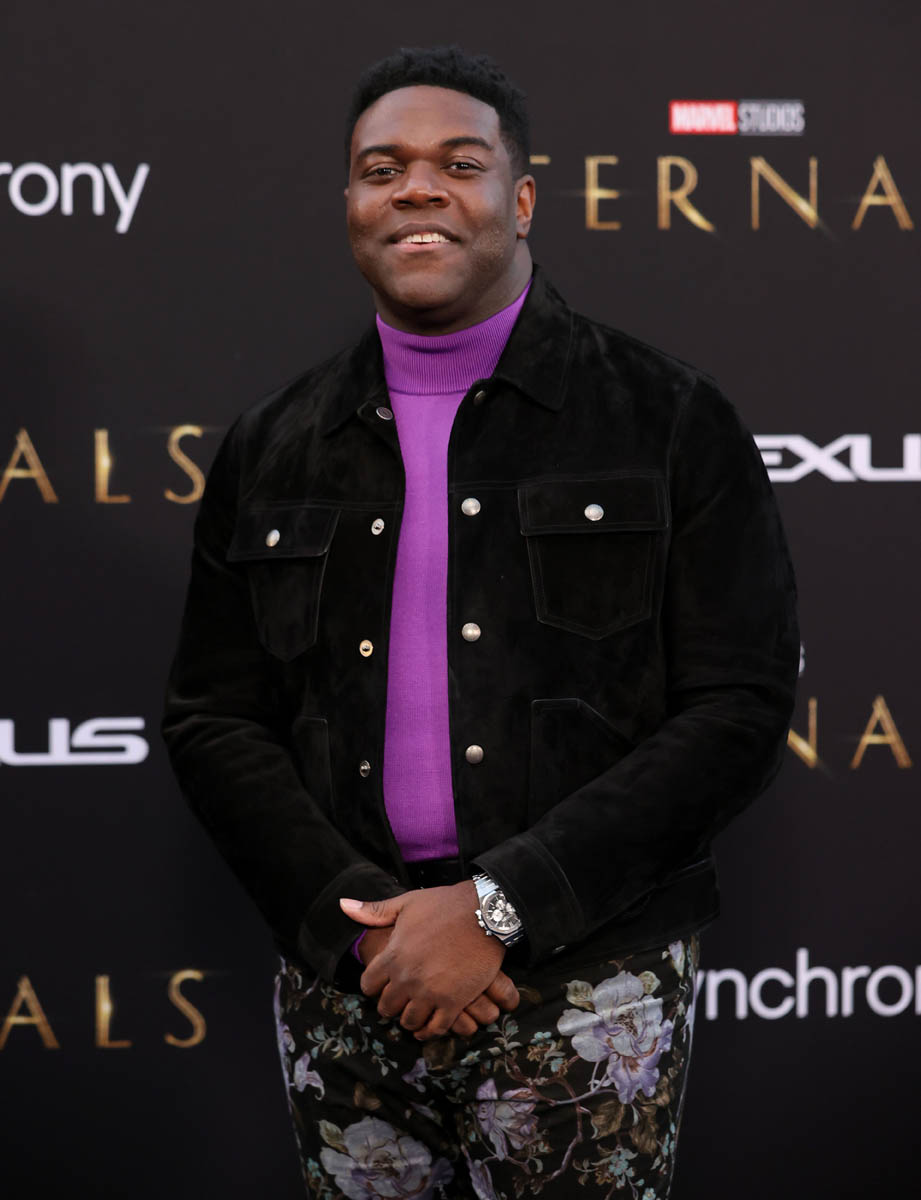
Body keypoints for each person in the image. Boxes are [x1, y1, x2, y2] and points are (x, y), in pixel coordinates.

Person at [161, 44, 798, 1199]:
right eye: (383, 169)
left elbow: (738, 707)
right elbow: (214, 717)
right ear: (351, 203)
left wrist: (500, 908)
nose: (418, 189)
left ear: (524, 198)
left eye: (459, 163)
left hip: (586, 978)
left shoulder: (669, 417)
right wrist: (369, 935)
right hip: (352, 981)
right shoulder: (271, 444)